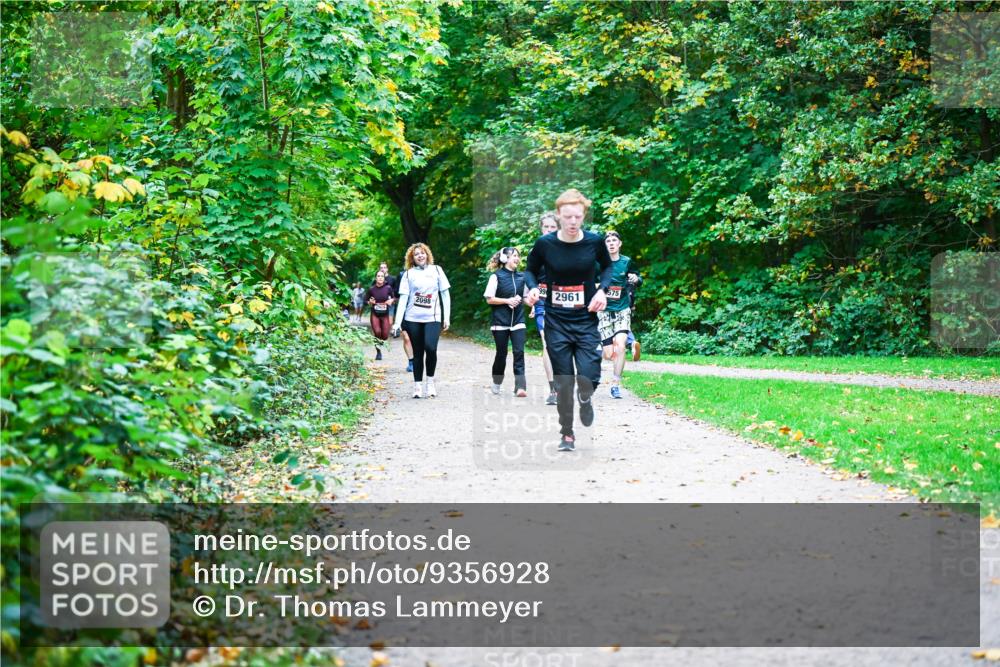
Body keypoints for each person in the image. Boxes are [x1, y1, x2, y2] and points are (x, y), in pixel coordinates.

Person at [525, 189, 612, 451]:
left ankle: (585, 399)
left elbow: (608, 267)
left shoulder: (594, 241)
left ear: (584, 215)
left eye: (578, 216)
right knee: (564, 380)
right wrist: (532, 288)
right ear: (558, 216)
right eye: (567, 217)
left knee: (589, 375)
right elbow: (530, 270)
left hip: (585, 319)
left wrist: (602, 290)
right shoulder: (545, 244)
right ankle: (567, 434)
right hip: (557, 320)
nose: (573, 222)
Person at [392, 243, 451, 398]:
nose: (420, 256)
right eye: (416, 254)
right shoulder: (408, 274)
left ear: (427, 254)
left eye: (422, 253)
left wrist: (447, 317)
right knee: (417, 353)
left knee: (431, 348)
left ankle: (430, 383)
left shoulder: (437, 270)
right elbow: (403, 299)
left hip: (433, 317)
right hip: (413, 318)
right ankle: (417, 386)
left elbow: (445, 294)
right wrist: (397, 323)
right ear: (412, 258)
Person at [598, 231, 641, 398]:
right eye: (608, 241)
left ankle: (615, 384)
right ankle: (598, 354)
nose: (611, 243)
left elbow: (638, 278)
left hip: (622, 309)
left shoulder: (627, 262)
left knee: (621, 346)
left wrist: (636, 279)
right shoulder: (599, 263)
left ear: (619, 244)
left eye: (614, 240)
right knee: (609, 354)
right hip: (604, 312)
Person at [484, 246, 529, 397]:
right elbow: (489, 299)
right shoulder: (496, 276)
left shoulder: (522, 277)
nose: (517, 258)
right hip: (500, 322)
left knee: (519, 352)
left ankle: (520, 387)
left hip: (518, 320)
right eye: (514, 255)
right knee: (501, 354)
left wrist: (534, 305)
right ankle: (497, 382)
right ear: (505, 259)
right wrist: (507, 300)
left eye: (518, 256)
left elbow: (526, 298)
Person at [530, 212, 560, 406]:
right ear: (541, 229)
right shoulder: (536, 251)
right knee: (547, 343)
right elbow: (529, 275)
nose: (549, 230)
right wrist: (531, 296)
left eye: (552, 227)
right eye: (546, 227)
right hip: (542, 303)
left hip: (565, 303)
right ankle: (554, 390)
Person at [365, 270, 395, 360]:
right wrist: (370, 302)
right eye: (378, 276)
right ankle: (378, 352)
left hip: (384, 314)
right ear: (376, 278)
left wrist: (391, 300)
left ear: (384, 278)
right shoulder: (371, 289)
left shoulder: (388, 288)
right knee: (377, 332)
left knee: (385, 335)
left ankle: (380, 342)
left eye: (382, 276)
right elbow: (365, 300)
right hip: (375, 314)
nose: (380, 278)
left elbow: (394, 298)